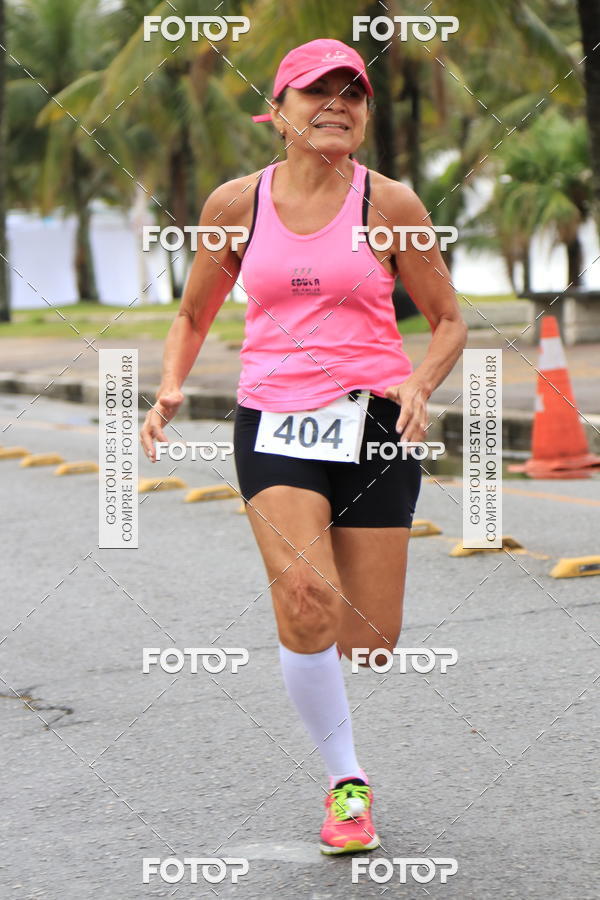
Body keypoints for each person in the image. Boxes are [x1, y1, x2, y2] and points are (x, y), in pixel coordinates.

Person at [140, 38, 467, 856]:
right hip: (275, 416)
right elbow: (192, 314)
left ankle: (340, 685)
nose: (337, 104)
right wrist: (171, 385)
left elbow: (449, 319)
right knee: (305, 599)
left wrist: (421, 383)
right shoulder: (233, 205)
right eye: (316, 91)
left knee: (371, 639)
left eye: (351, 92)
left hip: (375, 424)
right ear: (278, 110)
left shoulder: (389, 204)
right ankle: (345, 785)